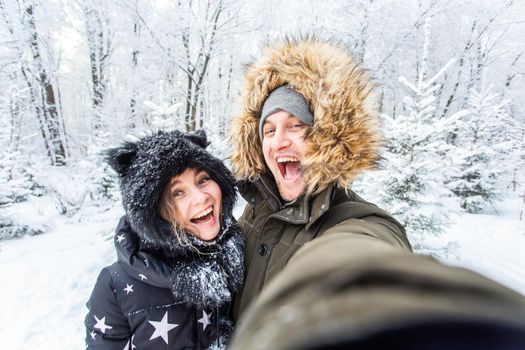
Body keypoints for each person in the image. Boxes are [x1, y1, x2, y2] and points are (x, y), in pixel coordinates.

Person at [228, 37, 525, 349]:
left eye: (296, 126)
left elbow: (356, 256)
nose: (278, 142)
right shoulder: (254, 211)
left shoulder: (360, 220)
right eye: (269, 130)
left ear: (328, 137)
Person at [84, 130, 244, 350]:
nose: (200, 198)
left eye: (203, 180)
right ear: (152, 211)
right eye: (178, 192)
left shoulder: (233, 259)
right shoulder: (116, 287)